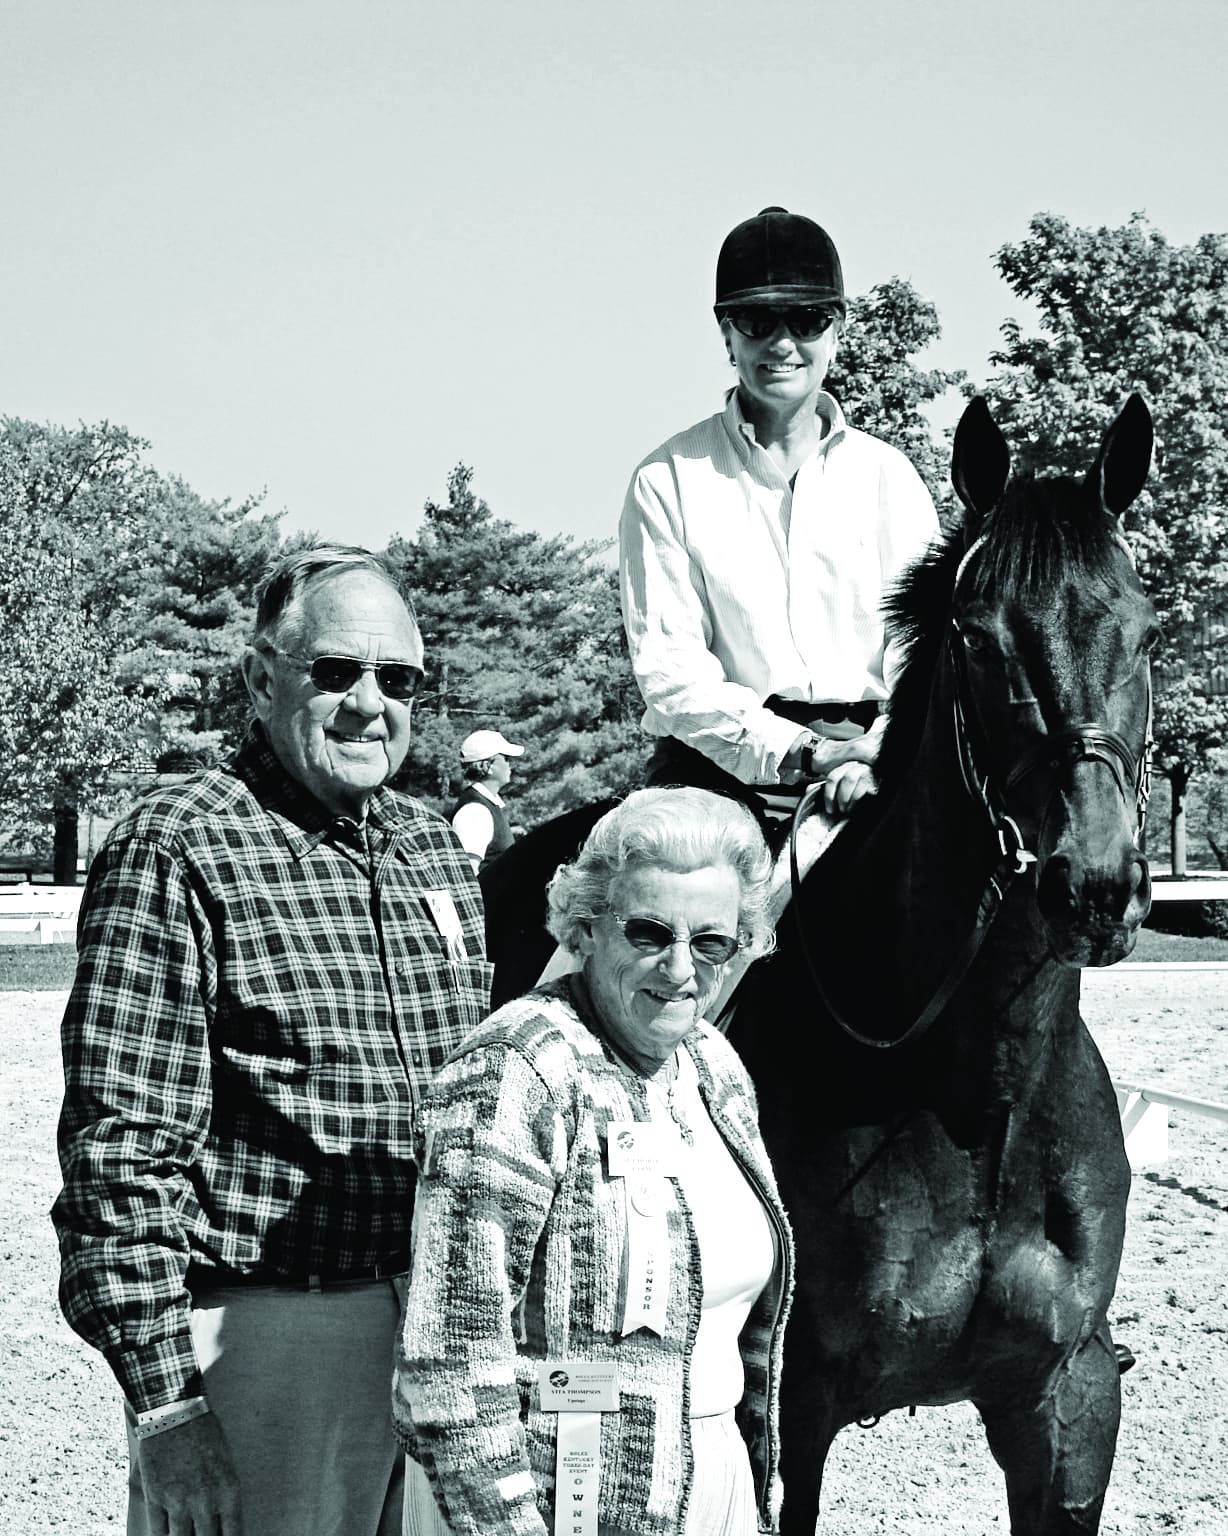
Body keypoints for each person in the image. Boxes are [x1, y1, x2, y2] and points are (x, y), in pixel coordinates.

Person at [53, 545, 492, 1536]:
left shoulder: (432, 849)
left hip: (440, 1336)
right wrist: (168, 1408)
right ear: (261, 679)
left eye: (398, 679)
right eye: (335, 671)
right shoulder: (180, 842)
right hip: (271, 1340)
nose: (369, 703)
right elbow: (121, 1152)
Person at [394, 786, 794, 1536]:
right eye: (648, 932)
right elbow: (451, 1365)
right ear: (584, 927)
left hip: (714, 1476)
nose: (680, 968)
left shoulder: (715, 1065)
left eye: (712, 941)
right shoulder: (517, 1069)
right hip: (554, 1497)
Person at [620, 205, 941, 824]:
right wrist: (807, 751)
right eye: (757, 321)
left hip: (875, 764)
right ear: (727, 333)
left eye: (807, 319)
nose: (783, 342)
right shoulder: (666, 479)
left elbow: (922, 652)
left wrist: (876, 751)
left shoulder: (890, 479)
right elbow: (671, 670)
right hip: (712, 777)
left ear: (837, 329)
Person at [449, 726, 524, 872]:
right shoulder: (475, 811)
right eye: (506, 758)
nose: (510, 764)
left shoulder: (487, 805)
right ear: (487, 766)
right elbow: (467, 874)